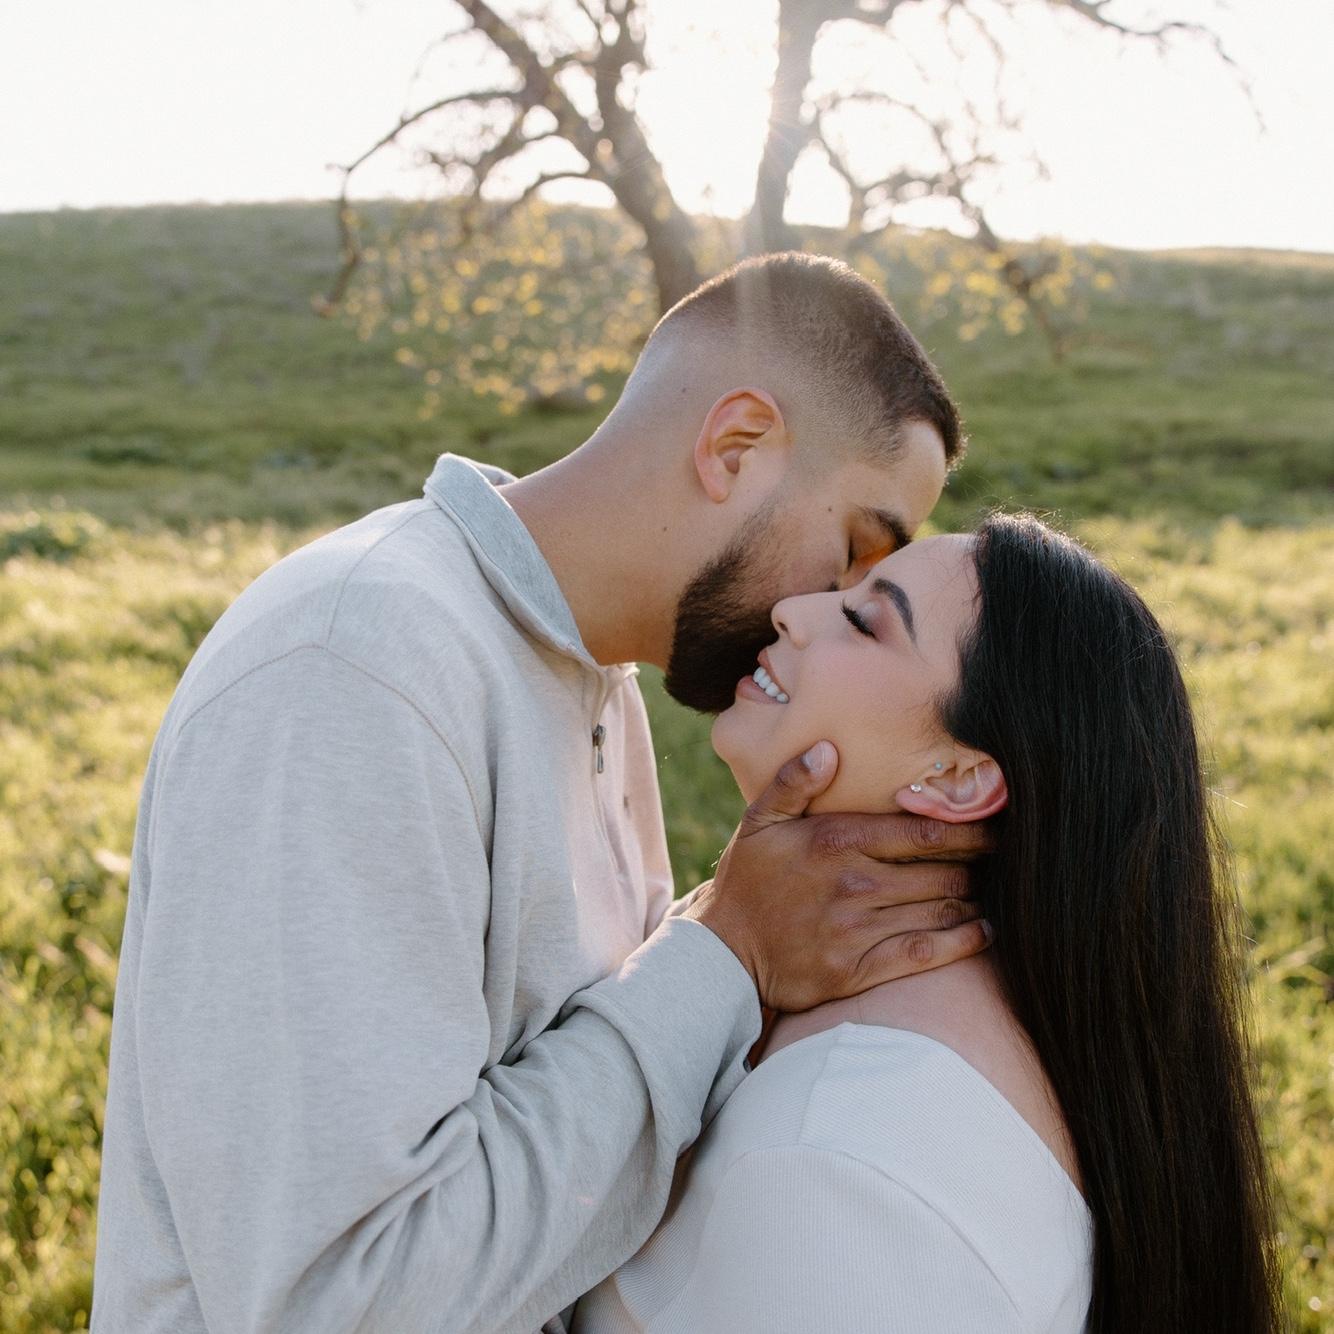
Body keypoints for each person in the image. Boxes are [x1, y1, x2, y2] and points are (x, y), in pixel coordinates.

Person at [91, 253, 994, 1332]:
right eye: (850, 549)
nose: (821, 611)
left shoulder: (590, 681)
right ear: (735, 445)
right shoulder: (353, 669)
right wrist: (728, 952)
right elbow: (343, 1298)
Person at [574, 514, 1282, 1334]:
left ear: (955, 779)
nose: (792, 611)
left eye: (862, 620)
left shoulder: (833, 1167)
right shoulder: (1026, 1004)